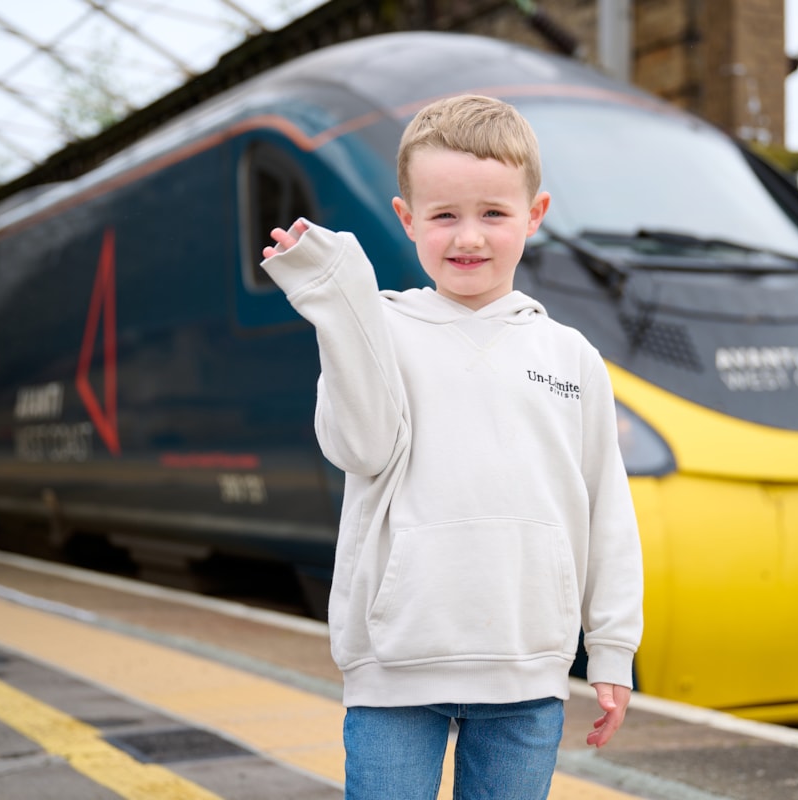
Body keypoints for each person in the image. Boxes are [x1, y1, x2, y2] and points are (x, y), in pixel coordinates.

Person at [260, 94, 643, 800]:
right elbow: (360, 447)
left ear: (535, 214)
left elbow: (607, 509)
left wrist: (612, 649)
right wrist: (341, 314)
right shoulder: (377, 331)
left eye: (494, 213)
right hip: (394, 668)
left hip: (528, 672)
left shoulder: (571, 356)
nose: (469, 237)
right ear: (407, 220)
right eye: (444, 216)